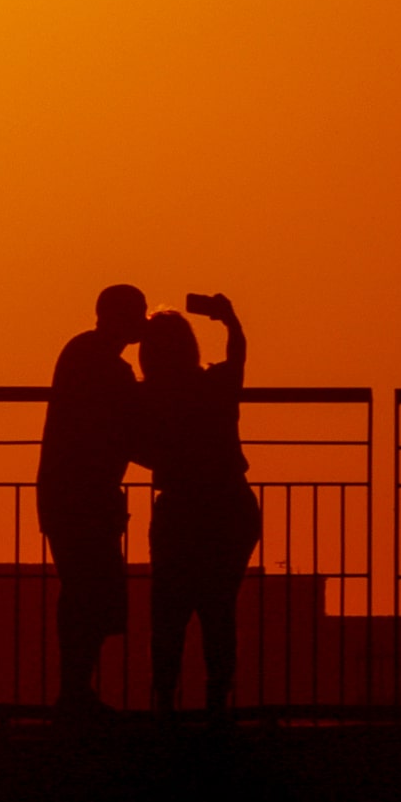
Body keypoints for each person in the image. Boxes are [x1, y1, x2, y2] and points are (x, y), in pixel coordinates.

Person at [137, 295, 261, 720]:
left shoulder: (147, 397)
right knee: (218, 609)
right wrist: (230, 320)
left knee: (168, 613)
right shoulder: (214, 384)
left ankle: (165, 700)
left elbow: (130, 441)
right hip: (231, 504)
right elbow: (238, 355)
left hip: (181, 509)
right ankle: (215, 700)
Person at [36, 283, 148, 719]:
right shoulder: (107, 367)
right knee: (89, 594)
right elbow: (127, 430)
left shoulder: (82, 352)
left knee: (84, 592)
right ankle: (75, 691)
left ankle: (75, 690)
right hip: (83, 497)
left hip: (68, 494)